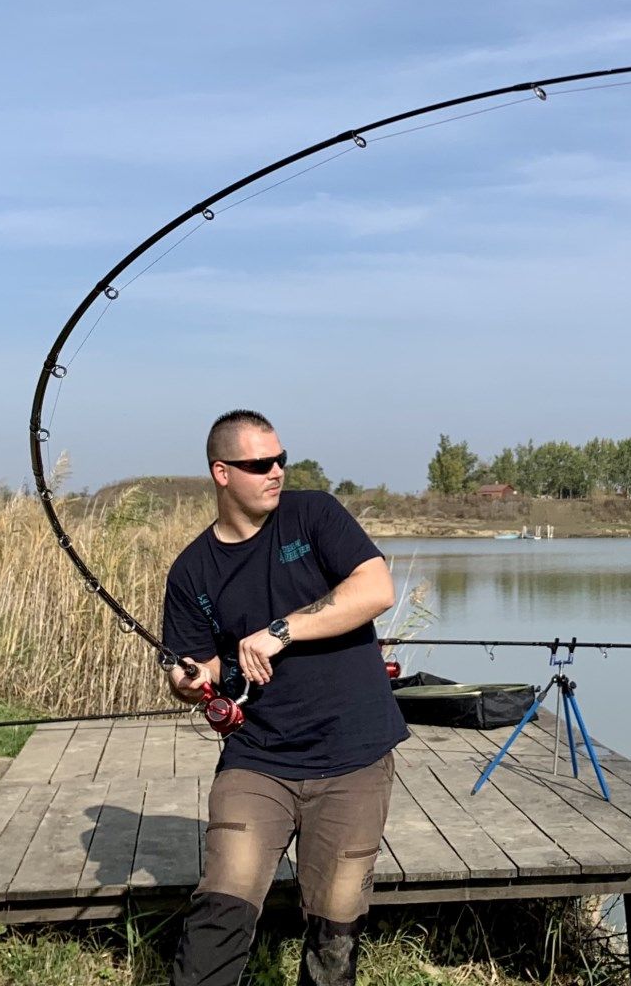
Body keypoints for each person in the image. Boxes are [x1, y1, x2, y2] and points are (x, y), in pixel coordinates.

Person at [160, 409, 408, 986]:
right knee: (222, 905)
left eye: (280, 459)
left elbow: (375, 589)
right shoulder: (191, 570)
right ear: (222, 472)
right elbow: (195, 668)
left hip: (355, 756)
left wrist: (281, 630)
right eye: (259, 464)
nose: (276, 471)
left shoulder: (313, 513)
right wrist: (191, 683)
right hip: (259, 761)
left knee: (335, 933)